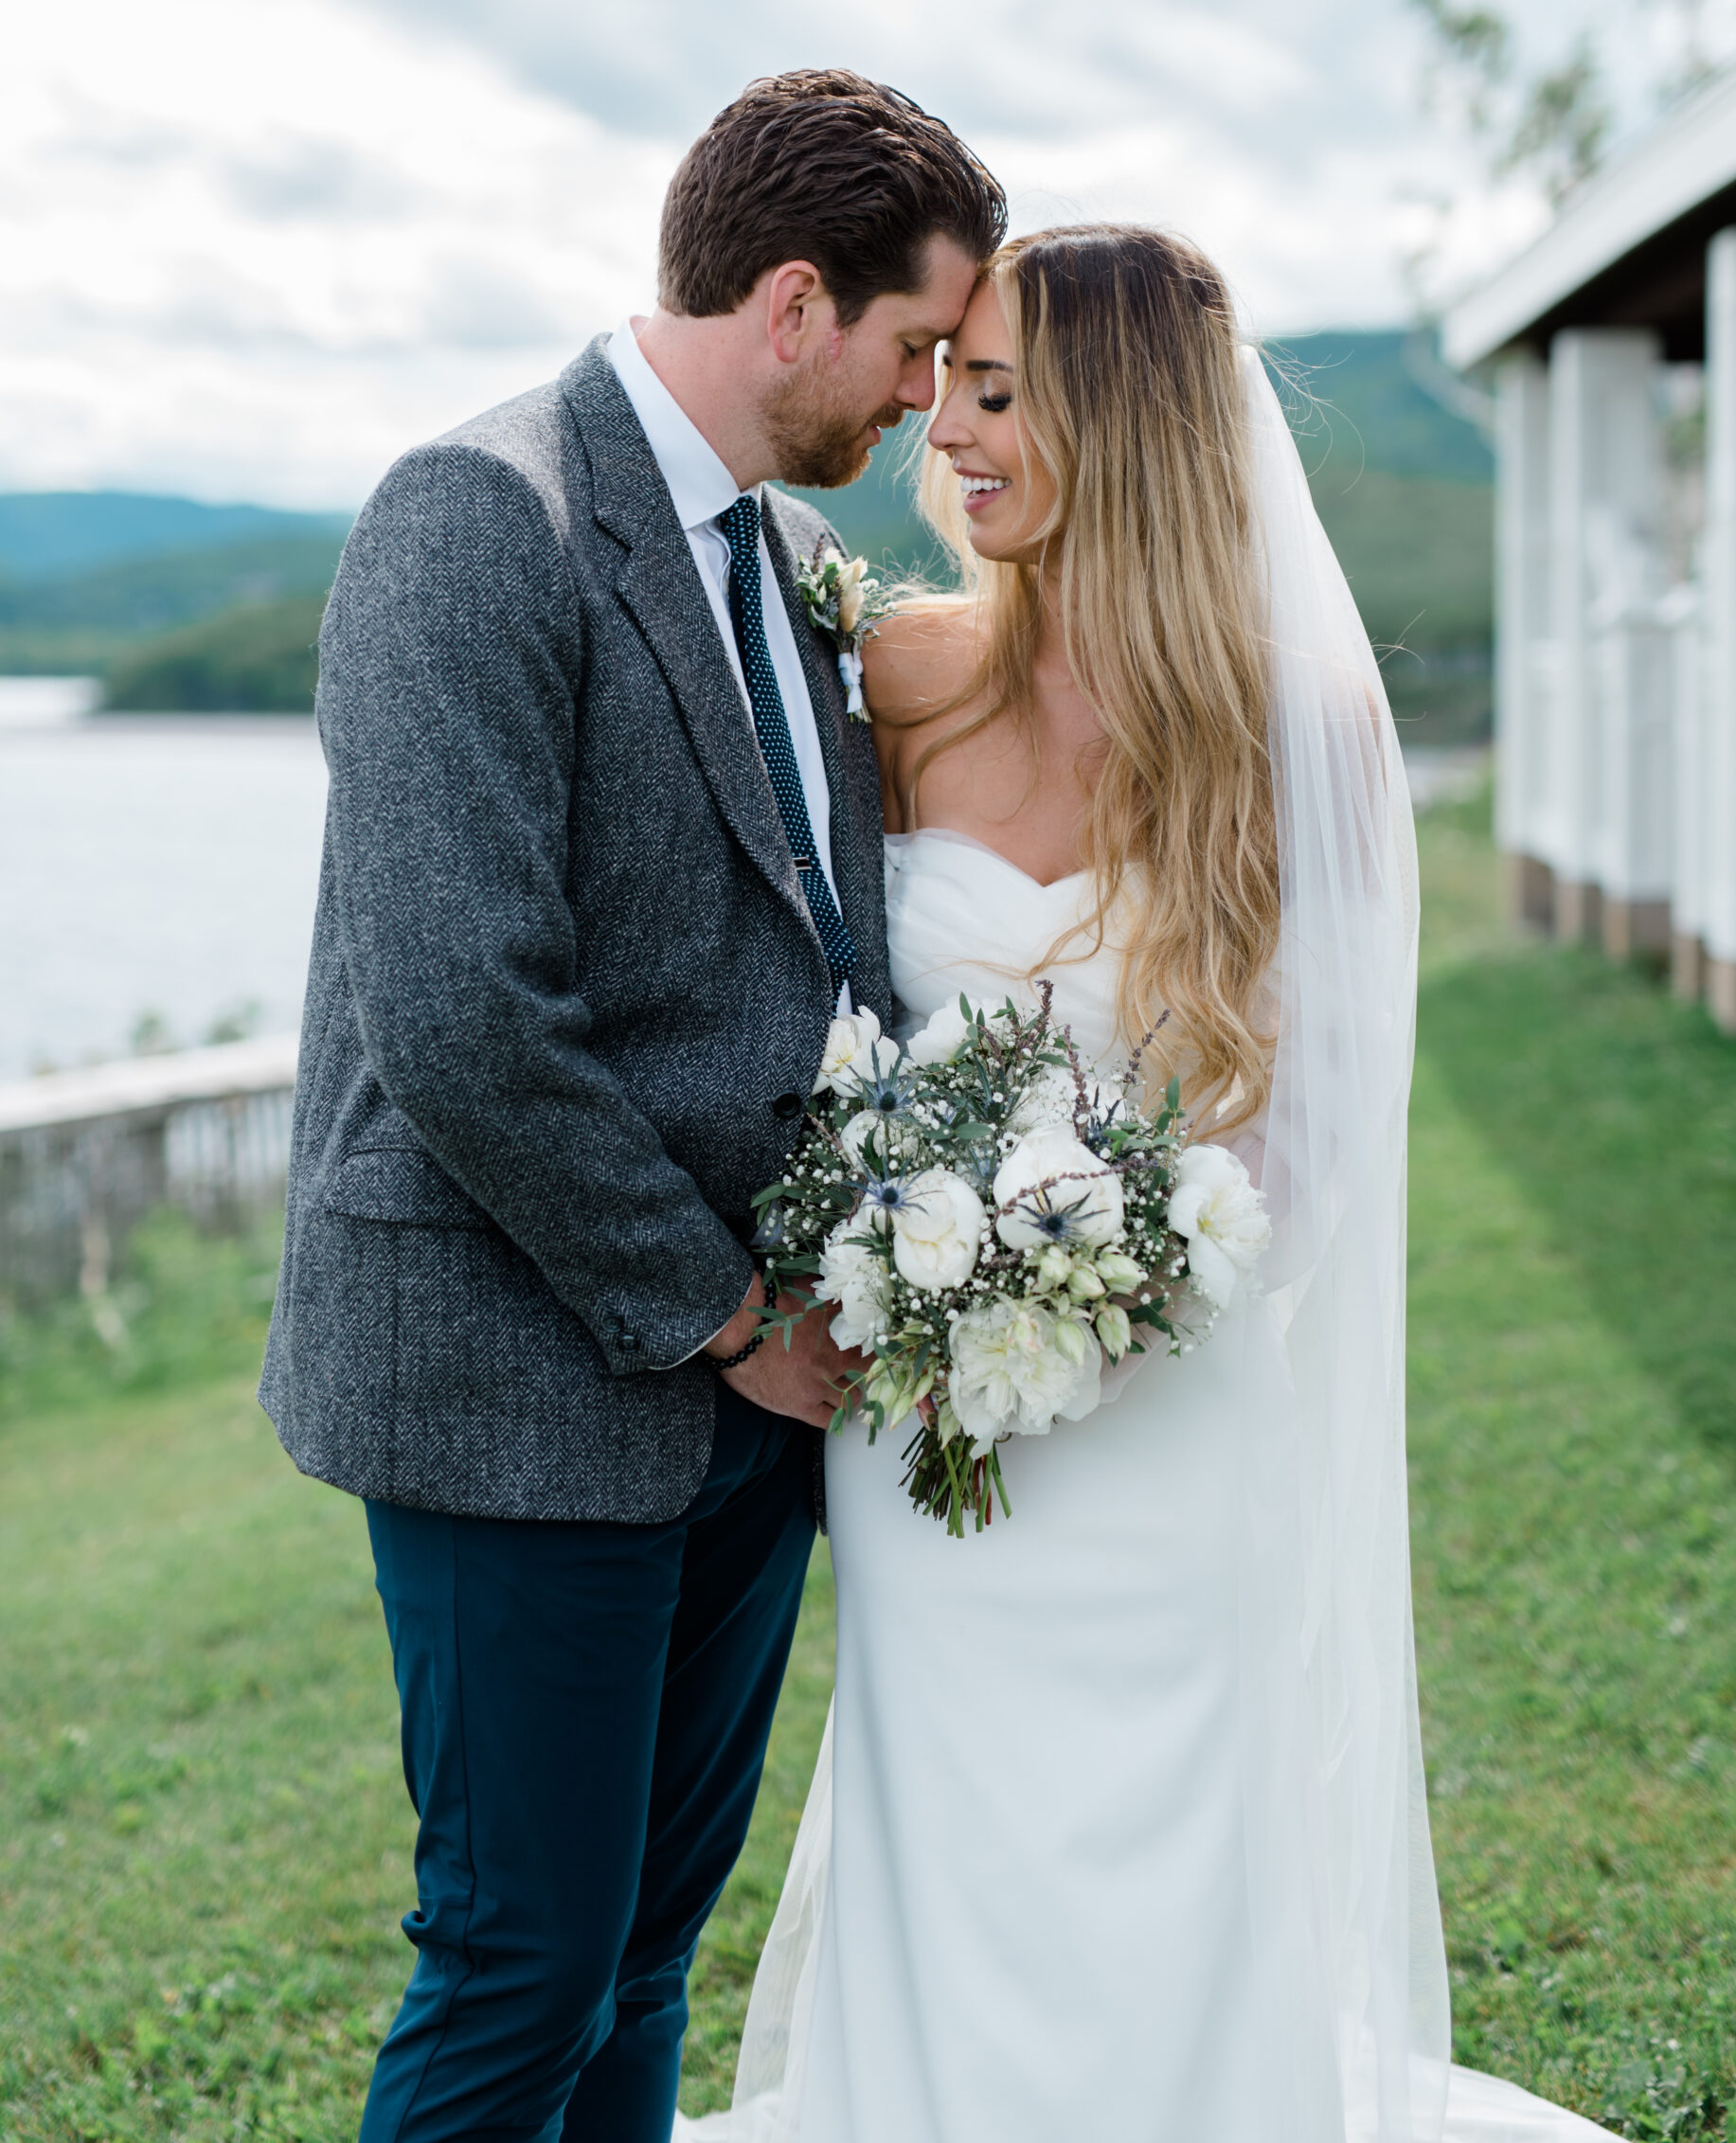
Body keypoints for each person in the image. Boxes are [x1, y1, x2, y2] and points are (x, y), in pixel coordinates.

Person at [684, 226, 1620, 2143]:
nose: (950, 429)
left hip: (1177, 1419)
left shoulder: (1302, 728)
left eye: (1004, 390)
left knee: (1187, 1844)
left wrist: (1102, 1298)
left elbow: (1322, 1122)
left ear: (1127, 421)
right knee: (951, 1837)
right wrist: (936, 1291)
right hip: (929, 1421)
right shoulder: (901, 679)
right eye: (949, 382)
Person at [257, 68, 1006, 2143]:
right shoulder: (470, 516)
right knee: (517, 1962)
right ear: (791, 303)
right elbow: (463, 1015)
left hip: (744, 1419)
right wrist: (738, 1319)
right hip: (523, 1380)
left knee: (647, 1956)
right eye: (915, 346)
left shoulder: (780, 548)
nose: (926, 404)